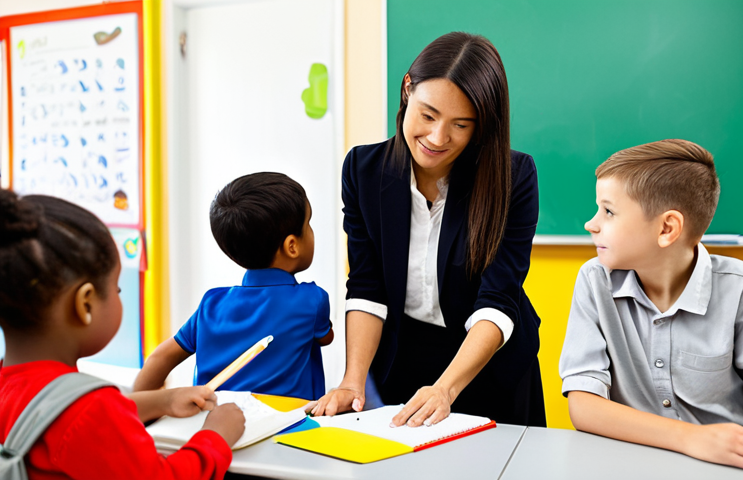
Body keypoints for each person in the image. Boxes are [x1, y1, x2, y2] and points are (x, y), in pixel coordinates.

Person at [310, 32, 545, 427]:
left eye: (461, 125)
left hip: (489, 362)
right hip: (404, 360)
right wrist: (353, 380)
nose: (437, 138)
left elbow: (497, 297)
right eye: (428, 115)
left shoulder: (513, 177)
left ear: (482, 125)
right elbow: (368, 286)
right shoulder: (363, 171)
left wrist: (446, 389)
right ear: (407, 89)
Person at [0, 189, 245, 479]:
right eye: (116, 289)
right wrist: (216, 436)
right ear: (85, 303)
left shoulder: (14, 385)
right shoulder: (91, 410)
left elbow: (52, 415)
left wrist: (163, 401)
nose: (119, 295)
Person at [559, 139, 743, 472]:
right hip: (627, 466)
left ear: (667, 228)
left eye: (608, 211)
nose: (591, 224)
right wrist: (690, 438)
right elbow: (584, 405)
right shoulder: (596, 280)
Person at [134, 172, 333, 400]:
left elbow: (161, 357)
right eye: (308, 224)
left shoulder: (211, 304)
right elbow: (325, 337)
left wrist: (138, 410)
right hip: (286, 430)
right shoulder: (311, 299)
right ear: (292, 246)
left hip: (216, 426)